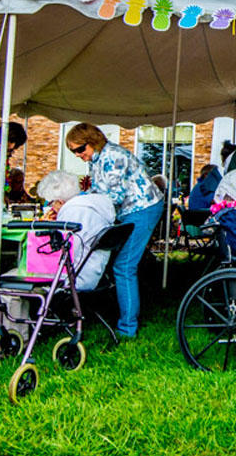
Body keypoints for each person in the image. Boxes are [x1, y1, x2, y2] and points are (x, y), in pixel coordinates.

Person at [66, 122, 164, 338]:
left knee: (124, 266)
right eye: (73, 151)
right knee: (116, 262)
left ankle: (127, 328)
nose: (77, 155)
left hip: (143, 208)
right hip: (129, 210)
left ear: (92, 141)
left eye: (80, 149)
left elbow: (113, 198)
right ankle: (119, 310)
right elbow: (97, 191)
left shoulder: (113, 157)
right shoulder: (97, 159)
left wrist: (78, 205)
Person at [35, 170, 117, 290]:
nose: (51, 207)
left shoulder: (73, 212)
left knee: (10, 279)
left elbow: (61, 251)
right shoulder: (91, 206)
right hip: (94, 270)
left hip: (73, 275)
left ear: (59, 201)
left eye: (51, 203)